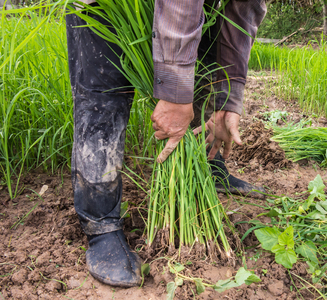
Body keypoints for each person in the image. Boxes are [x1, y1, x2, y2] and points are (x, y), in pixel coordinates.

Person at [66, 0, 266, 288]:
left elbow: (243, 12)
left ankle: (210, 167)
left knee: (202, 72)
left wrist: (228, 97)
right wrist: (174, 93)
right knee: (103, 101)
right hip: (109, 6)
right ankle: (101, 224)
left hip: (194, 11)